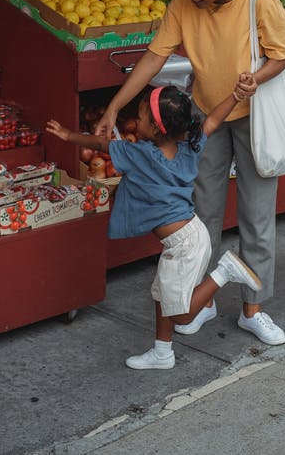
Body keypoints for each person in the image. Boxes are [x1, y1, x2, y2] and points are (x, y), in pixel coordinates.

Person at [95, 0, 285, 345]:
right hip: (205, 119)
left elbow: (281, 55)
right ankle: (202, 300)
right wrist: (115, 106)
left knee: (257, 216)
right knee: (201, 211)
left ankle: (253, 308)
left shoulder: (262, 1)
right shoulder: (183, 6)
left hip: (255, 117)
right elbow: (153, 58)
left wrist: (255, 79)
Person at [46, 84, 262, 370]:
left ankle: (225, 272)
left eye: (142, 117)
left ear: (156, 130)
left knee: (182, 316)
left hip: (185, 245)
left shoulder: (139, 154)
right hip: (188, 238)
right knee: (161, 295)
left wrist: (67, 135)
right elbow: (212, 120)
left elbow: (100, 145)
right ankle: (163, 352)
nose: (137, 121)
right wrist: (234, 96)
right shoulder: (189, 148)